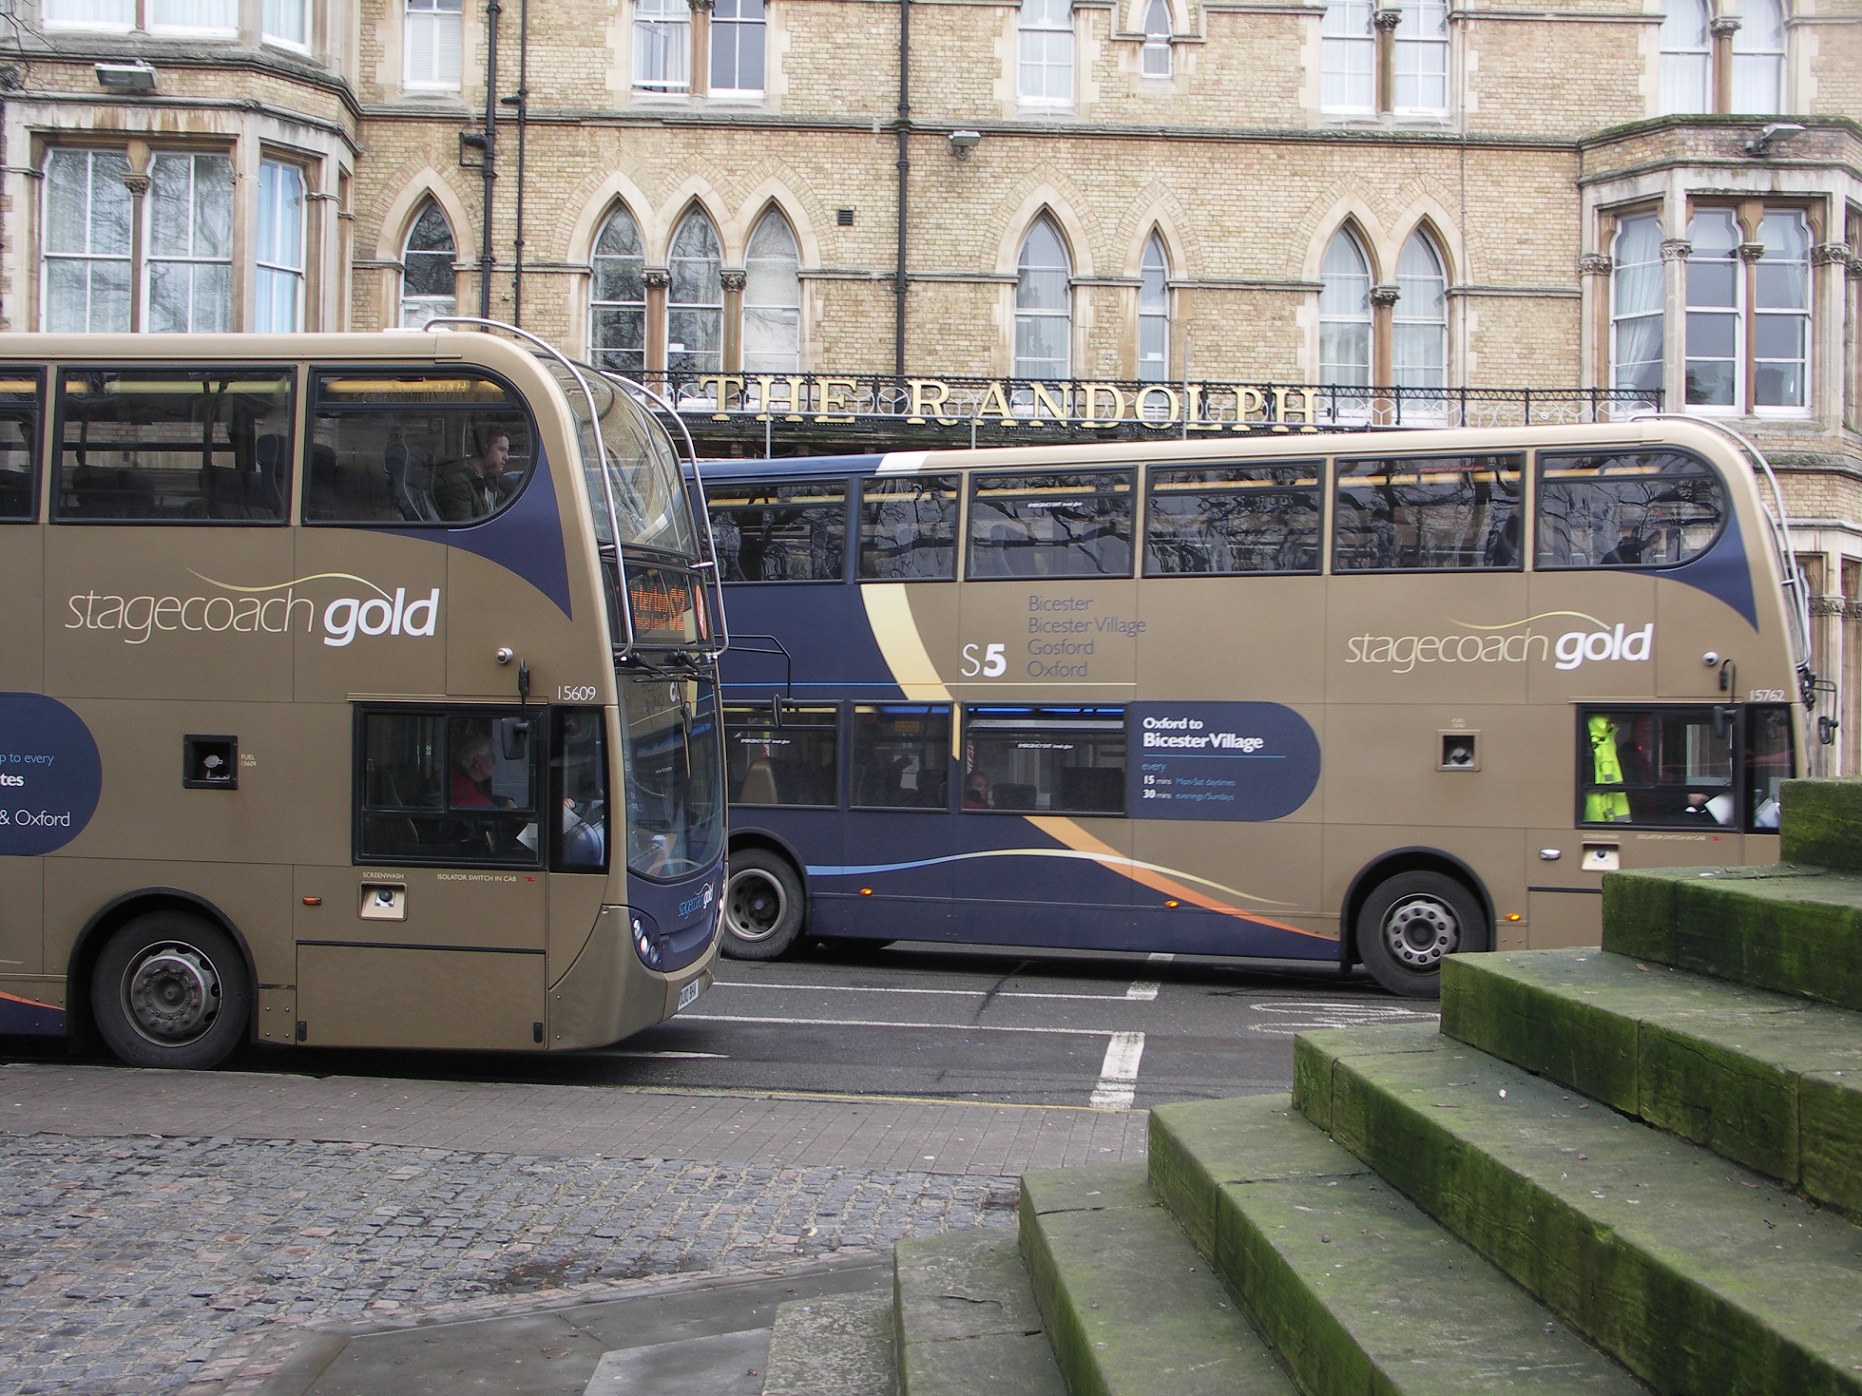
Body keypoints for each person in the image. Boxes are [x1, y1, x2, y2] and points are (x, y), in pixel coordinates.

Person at [434, 427, 513, 522]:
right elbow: (464, 529)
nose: (506, 457)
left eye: (506, 451)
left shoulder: (490, 482)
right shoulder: (459, 484)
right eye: (501, 450)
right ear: (484, 449)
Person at [451, 731, 514, 809]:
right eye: (491, 755)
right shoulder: (461, 788)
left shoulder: (458, 778)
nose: (494, 761)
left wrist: (504, 801)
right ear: (477, 762)